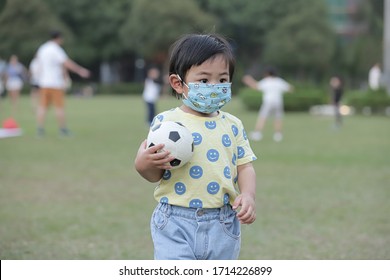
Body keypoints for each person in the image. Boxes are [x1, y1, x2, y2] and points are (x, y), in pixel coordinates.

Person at [134, 34, 257, 260]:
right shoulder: (165, 123)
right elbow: (154, 174)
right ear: (178, 83)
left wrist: (248, 194)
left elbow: (245, 166)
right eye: (203, 80)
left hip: (223, 222)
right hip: (175, 220)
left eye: (222, 80)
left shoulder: (233, 125)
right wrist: (143, 163)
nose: (214, 87)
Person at [35, 30, 90, 137]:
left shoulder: (43, 48)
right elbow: (66, 63)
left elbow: (39, 64)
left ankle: (40, 130)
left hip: (44, 82)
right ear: (58, 38)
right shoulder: (56, 49)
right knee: (59, 107)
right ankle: (63, 129)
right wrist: (80, 70)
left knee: (42, 107)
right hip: (55, 83)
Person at [242, 67, 293, 142]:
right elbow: (290, 89)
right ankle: (278, 135)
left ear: (267, 74)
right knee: (278, 118)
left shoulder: (266, 81)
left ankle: (257, 134)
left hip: (268, 102)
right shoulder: (279, 81)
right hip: (278, 102)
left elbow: (256, 86)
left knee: (262, 117)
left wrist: (249, 81)